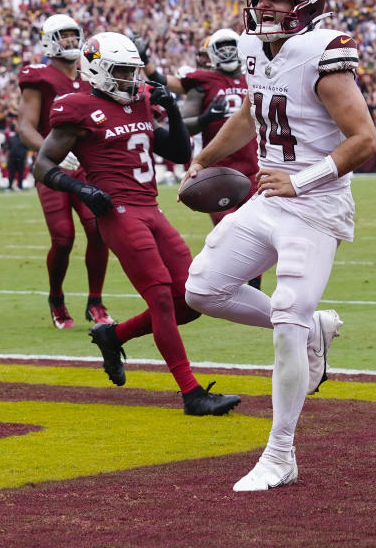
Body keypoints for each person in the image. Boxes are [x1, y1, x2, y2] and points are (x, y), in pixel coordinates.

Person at [180, 0, 376, 490]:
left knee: (287, 322)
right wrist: (207, 155)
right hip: (270, 198)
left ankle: (280, 454)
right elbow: (252, 110)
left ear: (306, 5)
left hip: (314, 205)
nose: (265, 6)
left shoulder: (323, 50)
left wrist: (300, 181)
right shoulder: (251, 46)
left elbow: (365, 140)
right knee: (202, 289)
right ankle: (313, 327)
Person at [32, 31, 241, 417]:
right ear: (96, 71)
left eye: (133, 72)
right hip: (119, 213)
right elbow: (42, 165)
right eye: (121, 72)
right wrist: (82, 189)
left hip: (152, 209)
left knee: (191, 299)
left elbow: (178, 152)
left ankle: (113, 336)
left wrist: (174, 111)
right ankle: (191, 392)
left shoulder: (141, 101)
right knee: (161, 297)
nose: (131, 80)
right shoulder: (77, 108)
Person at [138, 27, 262, 288]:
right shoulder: (204, 82)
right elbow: (178, 120)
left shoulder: (256, 77)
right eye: (222, 47)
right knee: (230, 233)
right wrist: (206, 119)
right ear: (211, 55)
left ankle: (252, 292)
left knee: (257, 237)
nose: (228, 52)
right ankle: (222, 285)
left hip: (255, 170)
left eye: (232, 46)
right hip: (218, 174)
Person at [18, 14, 112, 329]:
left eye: (75, 36)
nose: (71, 42)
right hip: (54, 169)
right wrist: (49, 150)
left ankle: (95, 301)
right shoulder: (38, 76)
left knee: (98, 230)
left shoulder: (90, 74)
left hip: (87, 167)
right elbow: (24, 126)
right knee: (63, 238)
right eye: (64, 37)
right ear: (48, 41)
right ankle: (56, 298)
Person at [5, 121, 28, 191]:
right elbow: (8, 149)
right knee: (11, 173)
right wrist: (7, 159)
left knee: (21, 173)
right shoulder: (11, 138)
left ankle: (20, 186)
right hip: (12, 158)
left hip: (21, 158)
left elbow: (26, 149)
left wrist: (26, 160)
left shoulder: (24, 138)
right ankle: (10, 186)